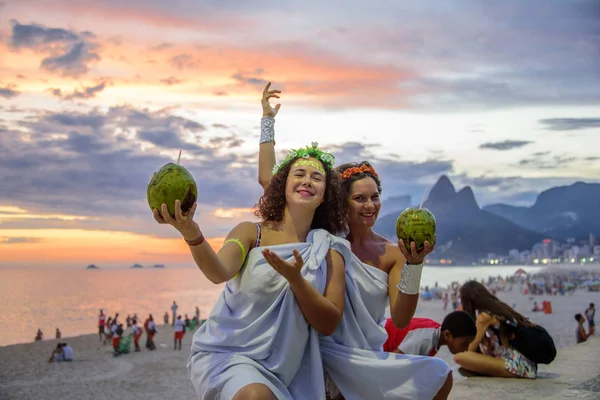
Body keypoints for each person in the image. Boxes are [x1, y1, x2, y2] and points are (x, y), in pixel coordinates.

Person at [258, 83, 453, 399]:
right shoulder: (323, 240)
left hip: (366, 356)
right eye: (360, 198)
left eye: (375, 197)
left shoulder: (393, 252)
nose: (370, 205)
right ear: (340, 202)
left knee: (439, 375)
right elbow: (270, 181)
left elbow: (401, 319)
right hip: (321, 352)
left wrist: (415, 265)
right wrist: (267, 121)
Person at [154, 141, 349, 399]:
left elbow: (329, 323)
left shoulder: (330, 249)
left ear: (325, 194)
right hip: (231, 354)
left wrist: (297, 282)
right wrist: (191, 232)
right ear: (282, 186)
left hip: (287, 370)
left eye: (317, 177)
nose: (307, 181)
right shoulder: (251, 233)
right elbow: (218, 272)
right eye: (299, 174)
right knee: (256, 395)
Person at [453, 280, 538, 378]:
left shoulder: (484, 317)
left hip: (517, 366)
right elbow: (490, 344)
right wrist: (485, 342)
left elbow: (470, 348)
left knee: (459, 357)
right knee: (466, 365)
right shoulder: (497, 308)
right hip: (524, 363)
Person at [383, 311, 477, 356]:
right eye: (464, 344)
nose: (466, 349)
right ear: (447, 335)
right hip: (377, 338)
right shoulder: (425, 340)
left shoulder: (438, 333)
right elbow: (394, 358)